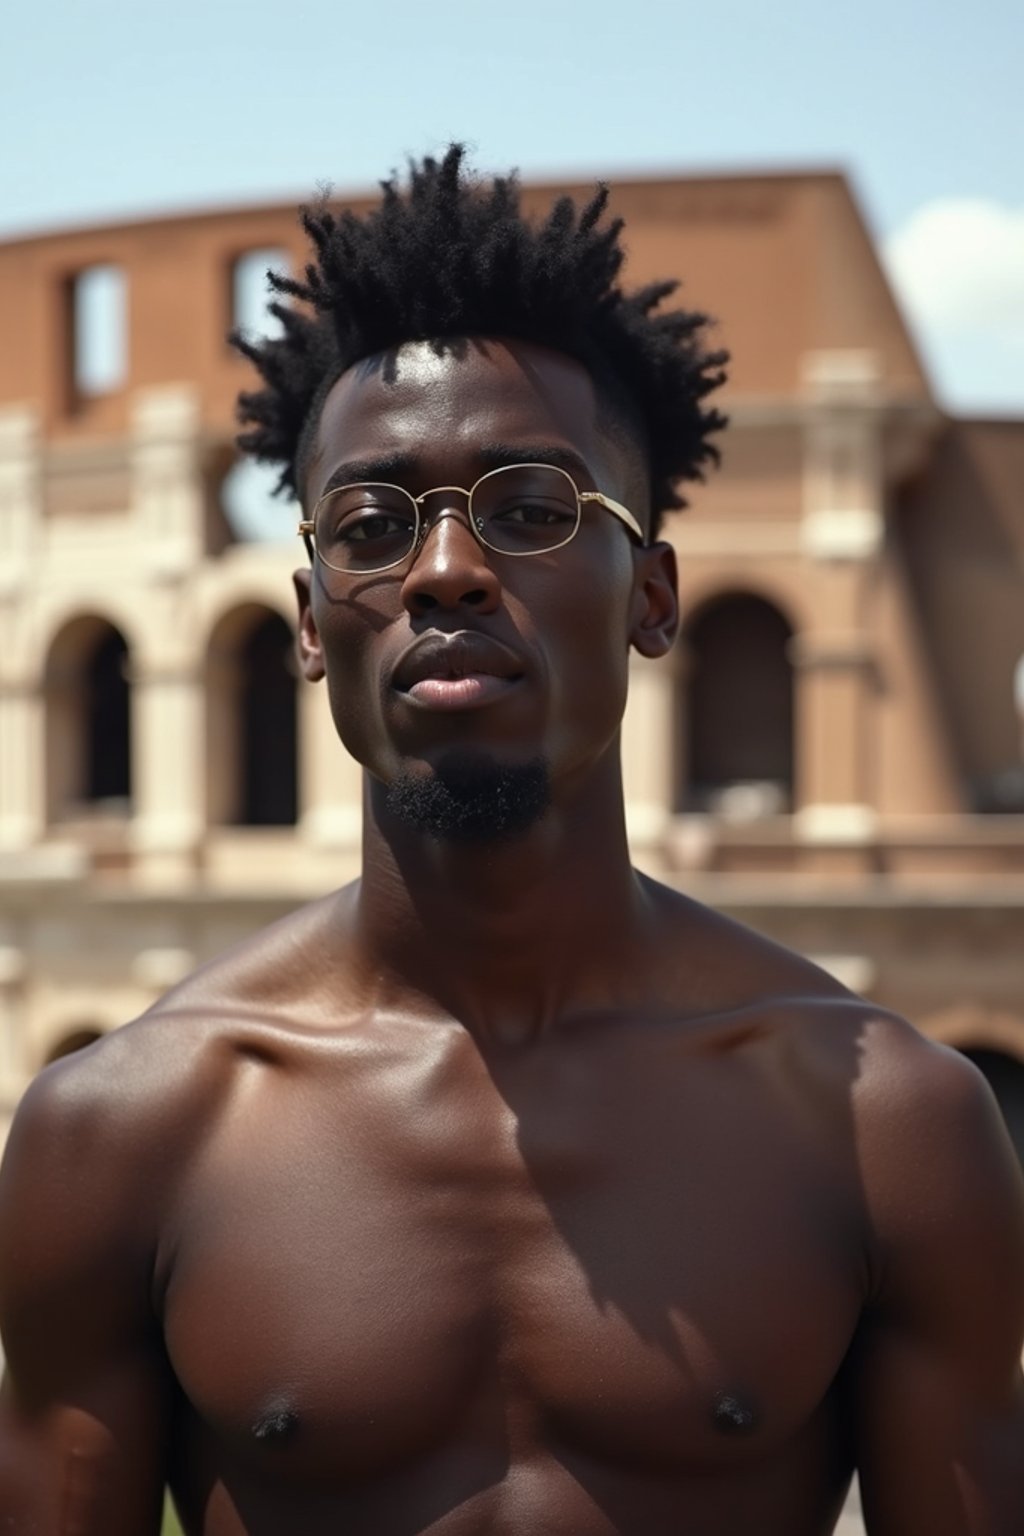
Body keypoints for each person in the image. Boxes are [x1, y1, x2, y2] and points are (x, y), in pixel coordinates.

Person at [1, 145, 1022, 1536]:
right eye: (371, 524)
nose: (445, 570)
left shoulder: (885, 1128)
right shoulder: (123, 1133)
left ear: (653, 596)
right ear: (310, 623)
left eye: (533, 511)